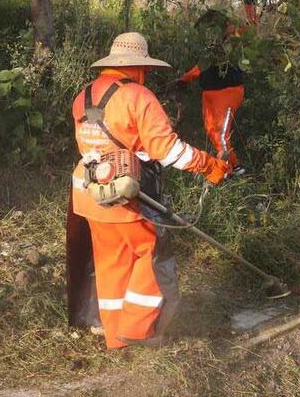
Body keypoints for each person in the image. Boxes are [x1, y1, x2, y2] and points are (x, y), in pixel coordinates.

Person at [66, 32, 230, 349]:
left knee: (111, 263)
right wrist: (209, 166)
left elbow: (95, 145)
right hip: (126, 197)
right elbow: (169, 152)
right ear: (139, 67)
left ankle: (116, 337)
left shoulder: (83, 95)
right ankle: (138, 332)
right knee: (152, 257)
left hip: (89, 195)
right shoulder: (139, 97)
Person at [174, 0, 259, 175]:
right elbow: (200, 67)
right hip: (209, 94)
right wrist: (184, 79)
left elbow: (251, 25)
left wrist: (249, 4)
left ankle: (233, 169)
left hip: (227, 92)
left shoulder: (234, 40)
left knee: (220, 133)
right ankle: (230, 167)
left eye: (225, 25)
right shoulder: (210, 48)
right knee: (212, 131)